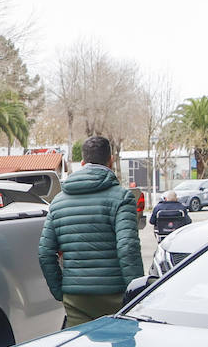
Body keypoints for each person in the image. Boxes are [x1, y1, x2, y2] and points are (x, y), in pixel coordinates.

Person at [37, 136, 143, 327]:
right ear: (111, 161)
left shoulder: (58, 202)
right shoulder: (122, 198)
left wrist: (60, 291)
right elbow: (128, 248)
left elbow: (45, 253)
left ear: (83, 163)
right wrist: (137, 293)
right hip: (114, 295)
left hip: (76, 298)